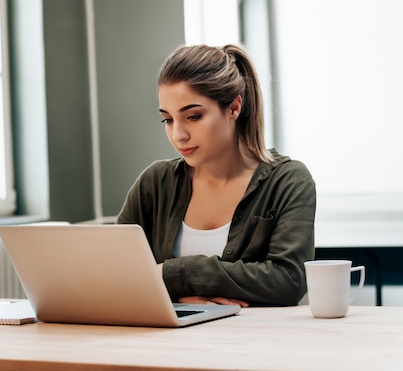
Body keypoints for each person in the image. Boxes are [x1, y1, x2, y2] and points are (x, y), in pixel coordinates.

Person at [116, 44, 316, 307]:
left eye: (194, 116)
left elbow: (288, 280)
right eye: (168, 120)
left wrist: (175, 274)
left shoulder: (288, 181)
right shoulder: (154, 183)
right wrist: (184, 299)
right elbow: (116, 275)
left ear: (234, 108)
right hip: (164, 345)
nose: (178, 135)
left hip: (257, 343)